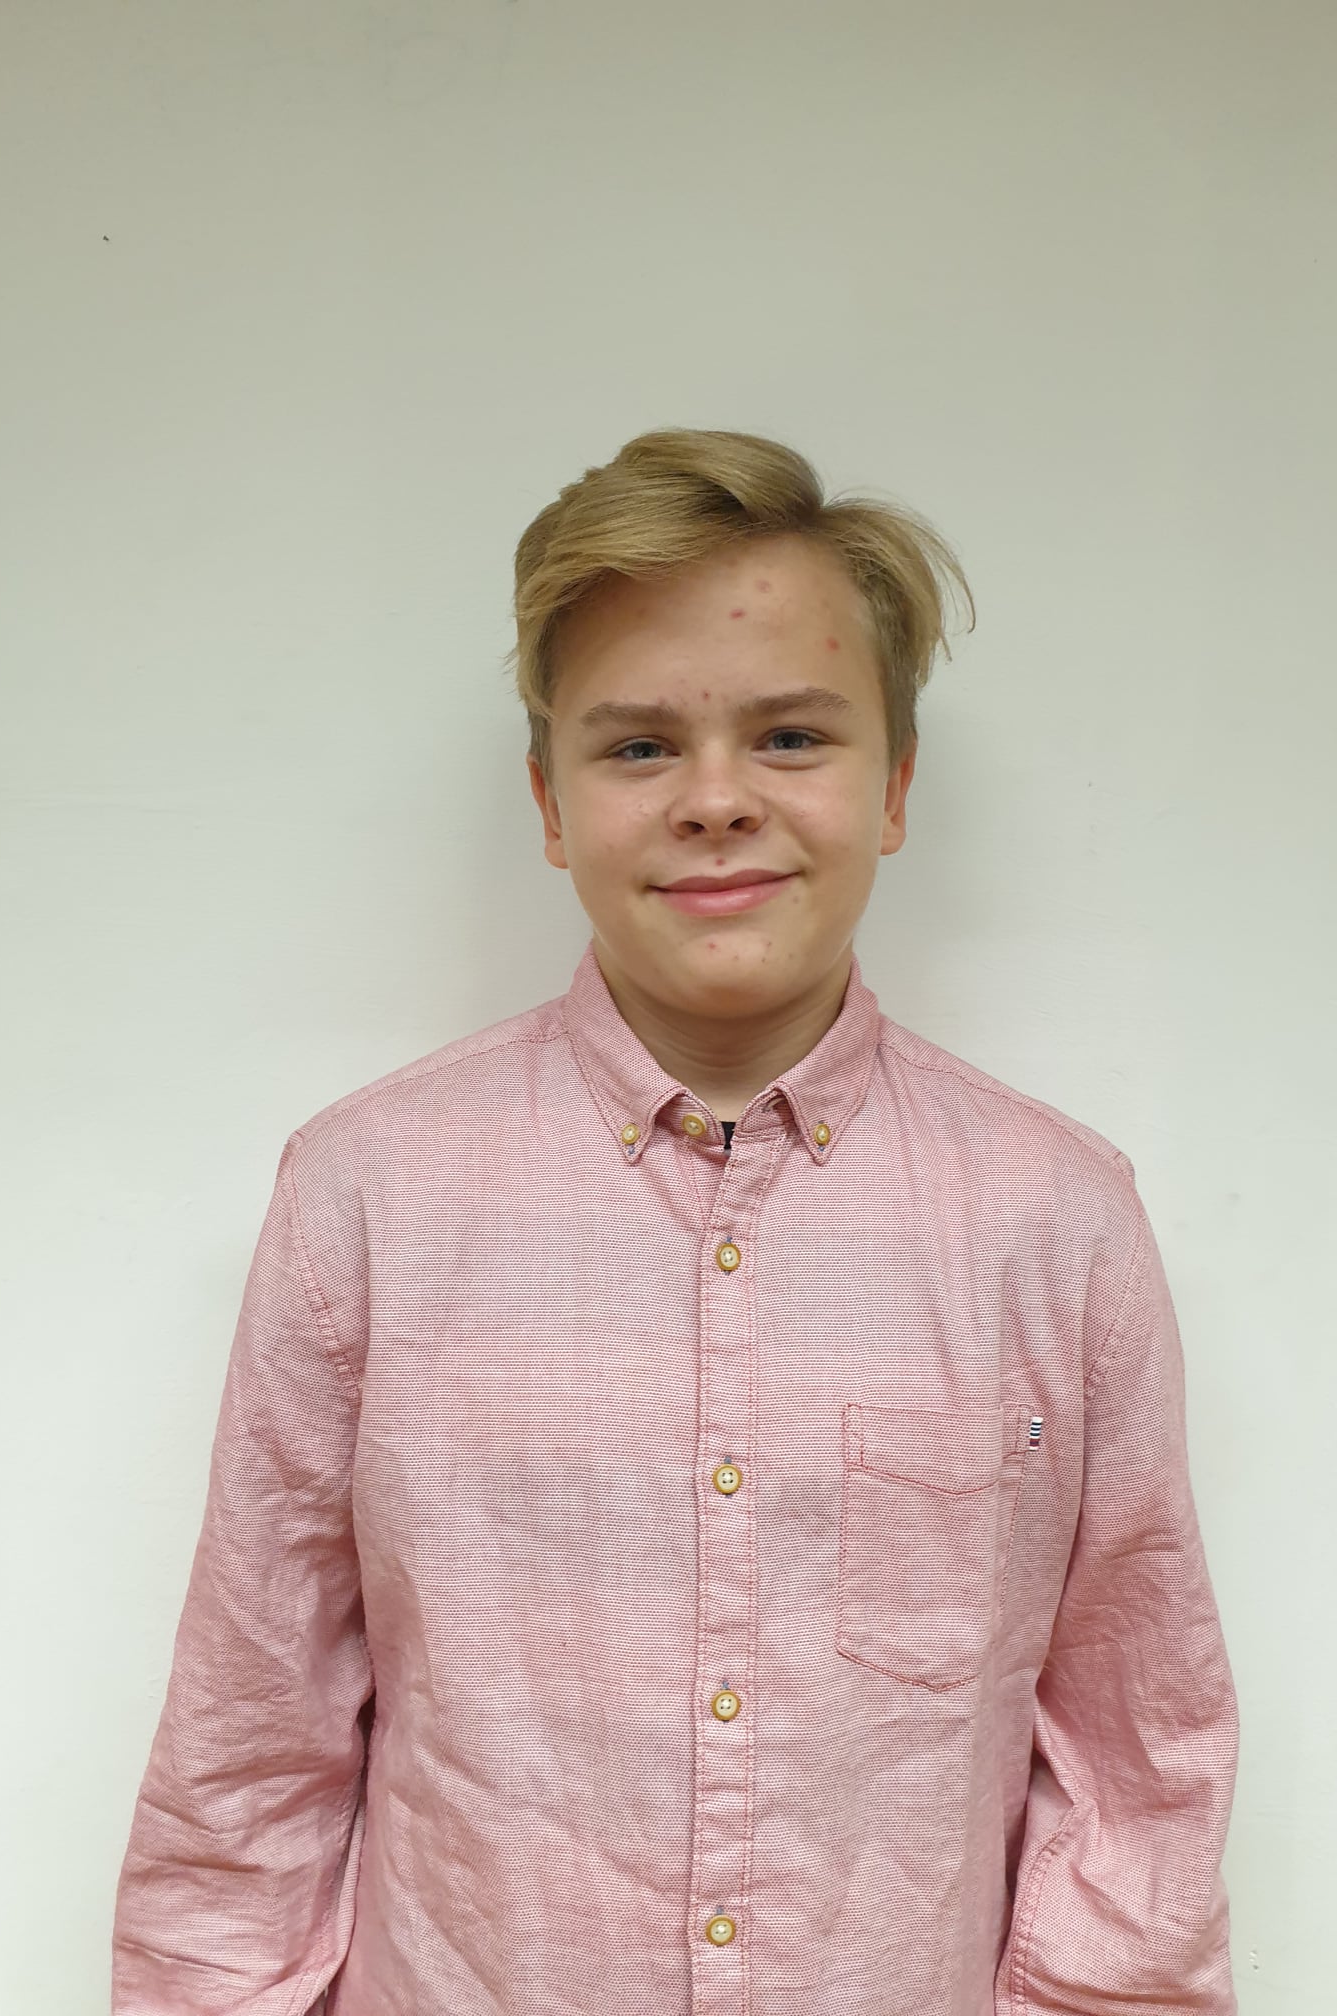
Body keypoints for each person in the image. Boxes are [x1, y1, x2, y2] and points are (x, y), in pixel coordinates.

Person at [111, 427, 1239, 2014]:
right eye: (639, 746)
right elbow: (252, 1751)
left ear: (895, 784)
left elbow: (1140, 1772)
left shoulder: (1058, 1225)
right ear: (550, 802)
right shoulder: (365, 1196)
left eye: (791, 736)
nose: (717, 801)